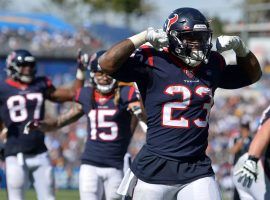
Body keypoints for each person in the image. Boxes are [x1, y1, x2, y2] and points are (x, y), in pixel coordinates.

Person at [97, 7, 262, 200]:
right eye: (191, 37)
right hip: (156, 165)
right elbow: (106, 63)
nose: (198, 44)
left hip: (196, 167)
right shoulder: (154, 58)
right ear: (173, 38)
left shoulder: (212, 63)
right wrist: (143, 36)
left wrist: (241, 48)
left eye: (201, 37)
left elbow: (253, 75)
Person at [28, 50, 145, 200]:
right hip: (91, 163)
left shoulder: (125, 93)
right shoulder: (87, 95)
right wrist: (41, 125)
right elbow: (60, 121)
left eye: (107, 73)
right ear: (92, 75)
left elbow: (144, 117)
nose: (104, 77)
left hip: (116, 163)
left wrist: (139, 111)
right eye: (99, 73)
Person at [0, 49, 88, 200]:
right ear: (13, 66)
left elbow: (74, 94)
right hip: (14, 152)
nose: (28, 68)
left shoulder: (40, 84)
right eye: (23, 65)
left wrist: (81, 71)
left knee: (48, 197)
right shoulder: (3, 88)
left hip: (40, 151)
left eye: (30, 65)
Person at [233, 106, 270, 200]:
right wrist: (252, 160)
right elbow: (264, 132)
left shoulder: (250, 138)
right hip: (252, 168)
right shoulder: (237, 138)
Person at [229, 117, 252, 200]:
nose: (244, 130)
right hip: (237, 169)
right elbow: (233, 151)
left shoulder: (251, 140)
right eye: (243, 128)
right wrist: (242, 140)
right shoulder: (236, 139)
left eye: (246, 128)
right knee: (237, 192)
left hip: (248, 170)